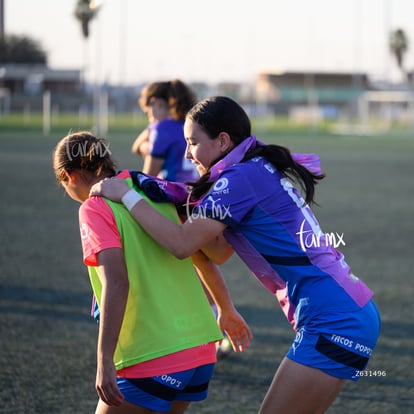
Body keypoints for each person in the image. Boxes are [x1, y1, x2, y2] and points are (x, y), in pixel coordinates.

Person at [90, 96, 381, 414]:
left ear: (223, 140)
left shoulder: (239, 179)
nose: (188, 153)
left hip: (336, 319)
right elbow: (217, 251)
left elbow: (182, 244)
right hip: (345, 312)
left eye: (193, 143)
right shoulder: (252, 168)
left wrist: (129, 195)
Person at [53, 131, 251, 414]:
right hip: (201, 351)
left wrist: (104, 359)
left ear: (69, 176)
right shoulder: (151, 187)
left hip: (152, 356)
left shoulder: (94, 208)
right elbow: (203, 258)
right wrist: (225, 308)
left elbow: (117, 283)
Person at [131, 79, 198, 183]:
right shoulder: (190, 123)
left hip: (175, 193)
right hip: (197, 191)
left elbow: (147, 177)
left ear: (155, 102)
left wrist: (149, 143)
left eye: (148, 113)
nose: (151, 120)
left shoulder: (163, 128)